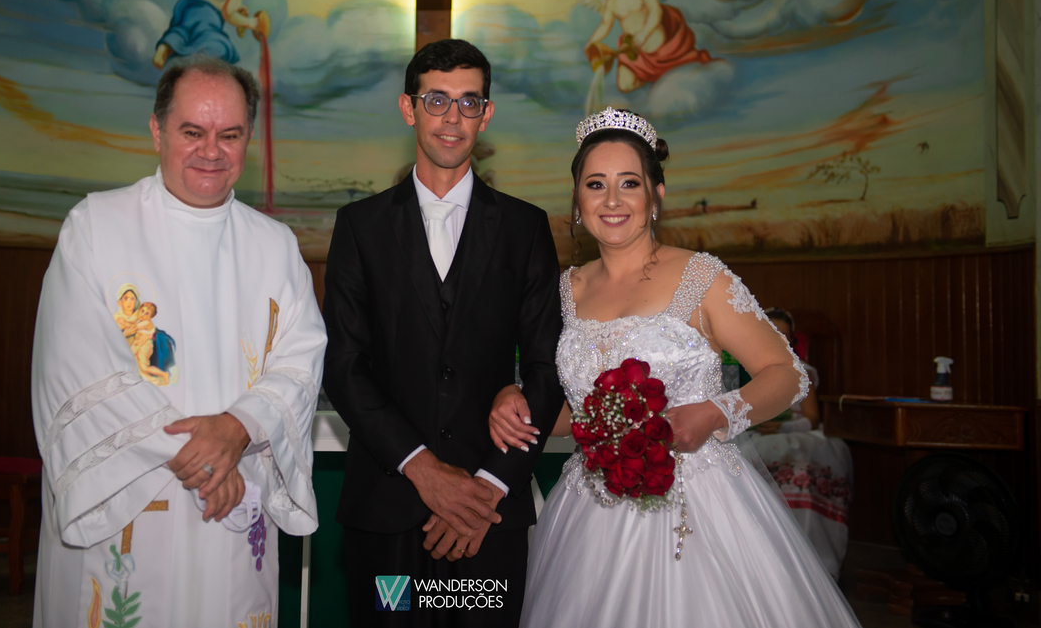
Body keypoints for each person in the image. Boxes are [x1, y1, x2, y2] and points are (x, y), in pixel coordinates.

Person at [489, 107, 861, 626]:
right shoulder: (563, 293)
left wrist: (713, 413)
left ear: (656, 195)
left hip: (697, 502)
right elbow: (572, 415)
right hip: (589, 508)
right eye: (595, 185)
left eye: (629, 183)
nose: (612, 200)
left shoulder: (701, 277)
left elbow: (787, 374)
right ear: (576, 199)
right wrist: (513, 406)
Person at [31, 54, 326, 627]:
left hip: (234, 504)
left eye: (229, 135)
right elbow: (75, 372)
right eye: (192, 132)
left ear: (248, 139)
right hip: (132, 500)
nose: (211, 151)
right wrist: (208, 460)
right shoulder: (95, 228)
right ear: (157, 130)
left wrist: (238, 428)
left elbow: (301, 360)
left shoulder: (275, 247)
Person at [322, 39, 566, 626]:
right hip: (388, 512)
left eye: (468, 101)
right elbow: (345, 366)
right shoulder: (359, 227)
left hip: (487, 518)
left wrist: (488, 487)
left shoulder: (525, 227)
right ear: (408, 108)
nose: (452, 118)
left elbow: (547, 365)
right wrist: (422, 468)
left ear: (487, 113)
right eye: (436, 100)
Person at [751, 306, 854, 579]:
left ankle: (812, 558)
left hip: (793, 432)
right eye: (773, 332)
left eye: (785, 335)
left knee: (802, 460)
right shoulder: (743, 369)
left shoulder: (802, 371)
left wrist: (784, 427)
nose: (780, 339)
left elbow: (812, 418)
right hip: (753, 433)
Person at [583, 0, 711, 92]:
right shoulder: (611, 4)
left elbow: (656, 11)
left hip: (656, 44)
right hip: (633, 50)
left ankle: (663, 75)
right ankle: (652, 79)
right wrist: (591, 42)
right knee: (624, 86)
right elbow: (605, 25)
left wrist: (644, 33)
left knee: (672, 68)